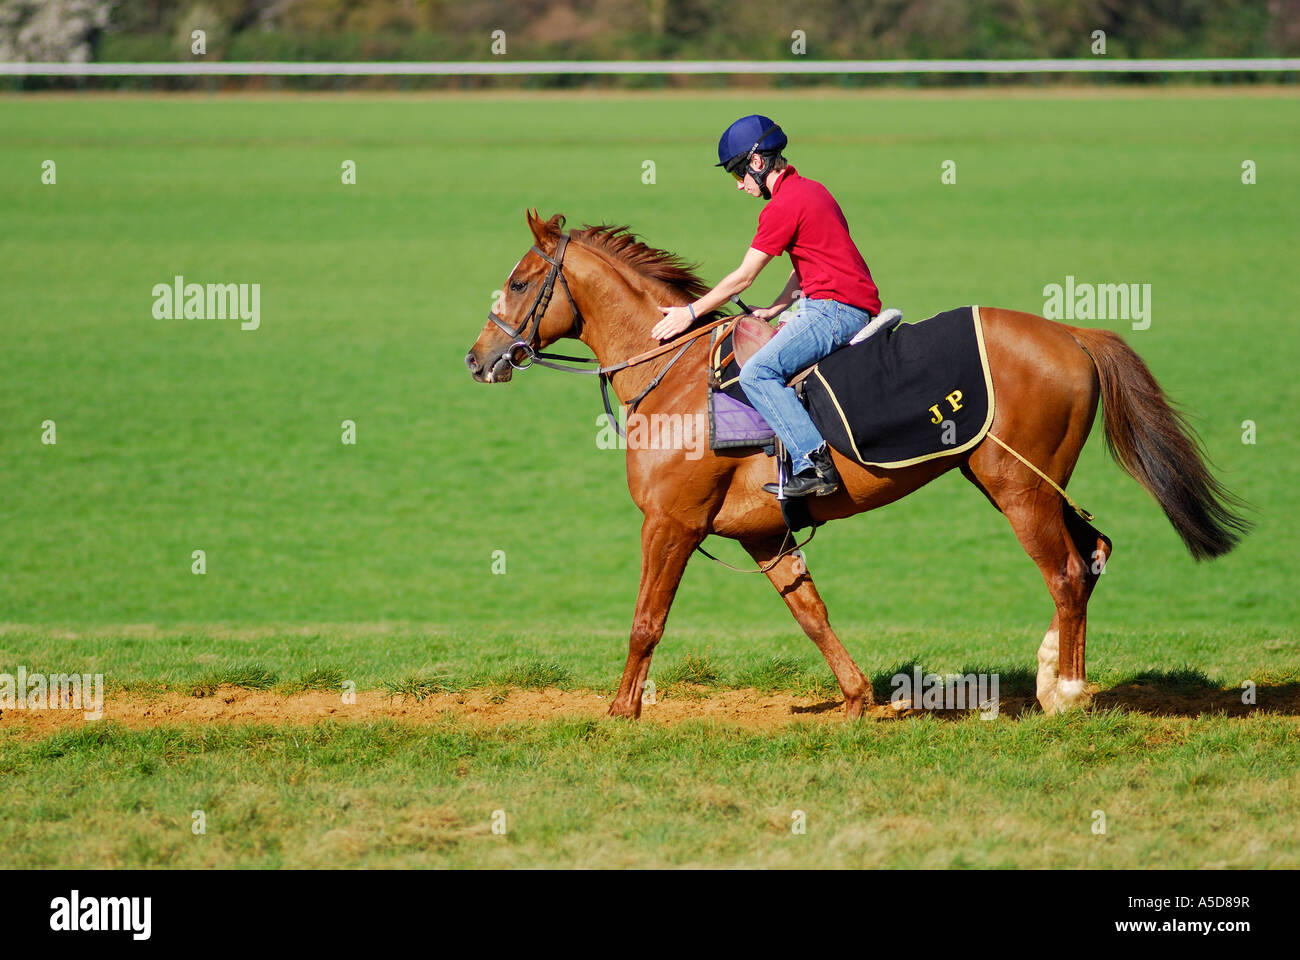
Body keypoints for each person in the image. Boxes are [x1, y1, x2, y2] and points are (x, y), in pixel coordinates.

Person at [651, 114, 882, 498]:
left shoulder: (782, 206)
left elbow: (743, 277)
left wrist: (689, 313)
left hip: (834, 310)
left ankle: (816, 465)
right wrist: (776, 309)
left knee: (757, 373)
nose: (739, 185)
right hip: (833, 302)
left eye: (737, 174)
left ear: (757, 162)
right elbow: (810, 264)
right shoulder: (813, 190)